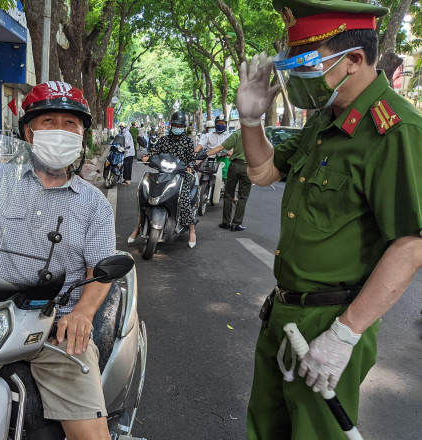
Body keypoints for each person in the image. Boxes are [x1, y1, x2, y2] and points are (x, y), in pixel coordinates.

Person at [236, 0, 422, 438]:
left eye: (307, 65)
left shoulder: (396, 131)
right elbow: (264, 172)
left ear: (354, 60)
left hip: (332, 320)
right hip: (283, 313)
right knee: (266, 430)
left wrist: (345, 335)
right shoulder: (326, 120)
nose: (299, 78)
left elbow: (412, 243)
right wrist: (250, 119)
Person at [0, 82, 117, 440]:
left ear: (82, 135)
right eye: (48, 120)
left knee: (91, 436)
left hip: (57, 326)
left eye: (71, 123)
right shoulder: (1, 178)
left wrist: (82, 314)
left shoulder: (94, 204)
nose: (60, 130)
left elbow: (100, 269)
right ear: (28, 132)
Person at [127, 110, 197, 248]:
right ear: (171, 125)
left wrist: (190, 165)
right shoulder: (164, 140)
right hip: (163, 174)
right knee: (145, 193)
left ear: (184, 127)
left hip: (180, 175)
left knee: (184, 197)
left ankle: (192, 230)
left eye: (181, 126)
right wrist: (147, 156)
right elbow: (154, 152)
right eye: (176, 125)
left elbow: (192, 159)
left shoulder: (188, 142)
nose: (178, 128)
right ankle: (138, 226)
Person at [208, 128, 251, 231]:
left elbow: (221, 147)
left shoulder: (238, 134)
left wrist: (205, 154)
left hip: (234, 166)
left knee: (228, 194)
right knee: (242, 197)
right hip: (249, 168)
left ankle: (226, 222)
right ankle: (236, 224)